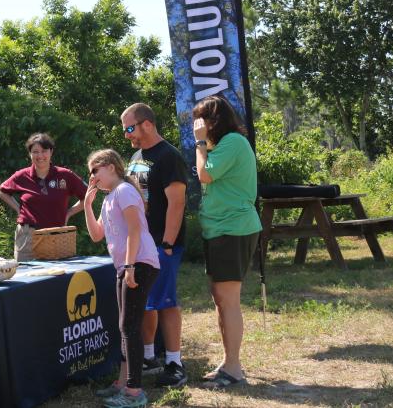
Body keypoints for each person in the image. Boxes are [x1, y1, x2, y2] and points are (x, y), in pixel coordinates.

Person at [192, 95, 262, 389]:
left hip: (233, 229)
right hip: (220, 230)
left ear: (214, 121)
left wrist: (198, 143)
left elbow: (204, 175)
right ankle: (228, 361)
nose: (198, 125)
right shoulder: (222, 146)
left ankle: (234, 368)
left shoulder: (232, 141)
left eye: (202, 119)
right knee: (220, 299)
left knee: (228, 300)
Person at [83, 149, 159, 408]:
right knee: (125, 326)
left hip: (138, 263)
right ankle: (123, 382)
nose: (92, 177)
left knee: (130, 327)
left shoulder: (124, 191)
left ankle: (134, 392)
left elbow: (135, 229)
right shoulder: (108, 199)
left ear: (111, 167)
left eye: (95, 170)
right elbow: (96, 235)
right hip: (126, 266)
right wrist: (86, 206)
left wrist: (129, 266)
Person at [120, 102, 189, 388]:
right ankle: (148, 356)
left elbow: (177, 202)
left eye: (129, 128)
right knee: (145, 302)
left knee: (165, 301)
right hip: (141, 244)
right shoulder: (136, 156)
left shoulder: (168, 156)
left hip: (163, 243)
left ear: (146, 123)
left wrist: (168, 242)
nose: (126, 135)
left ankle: (175, 363)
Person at [0, 133, 87, 261]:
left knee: (57, 278)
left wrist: (69, 213)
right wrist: (18, 209)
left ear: (51, 152)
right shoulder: (22, 176)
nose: (40, 156)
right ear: (30, 154)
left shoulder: (65, 175)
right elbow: (2, 191)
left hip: (57, 236)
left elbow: (87, 197)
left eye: (44, 151)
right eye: (35, 152)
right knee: (27, 277)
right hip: (28, 236)